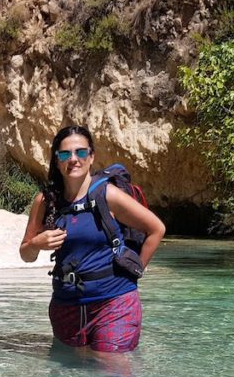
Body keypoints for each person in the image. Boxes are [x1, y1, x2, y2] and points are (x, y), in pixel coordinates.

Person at [19, 125, 165, 353]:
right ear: (57, 160)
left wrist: (135, 271)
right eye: (65, 154)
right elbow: (26, 254)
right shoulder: (46, 201)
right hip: (66, 305)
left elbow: (156, 229)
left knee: (112, 375)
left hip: (114, 301)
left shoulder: (108, 195)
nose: (73, 159)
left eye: (81, 152)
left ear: (91, 156)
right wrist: (37, 243)